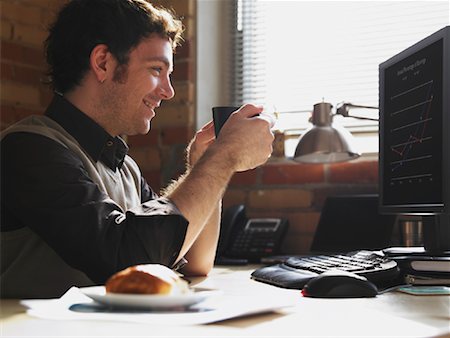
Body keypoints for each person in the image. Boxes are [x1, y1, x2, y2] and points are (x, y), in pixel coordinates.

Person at [0, 0, 274, 298]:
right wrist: (223, 158)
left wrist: (204, 163)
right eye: (157, 69)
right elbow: (128, 262)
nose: (168, 91)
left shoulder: (123, 166)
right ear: (103, 62)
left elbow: (194, 263)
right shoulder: (29, 148)